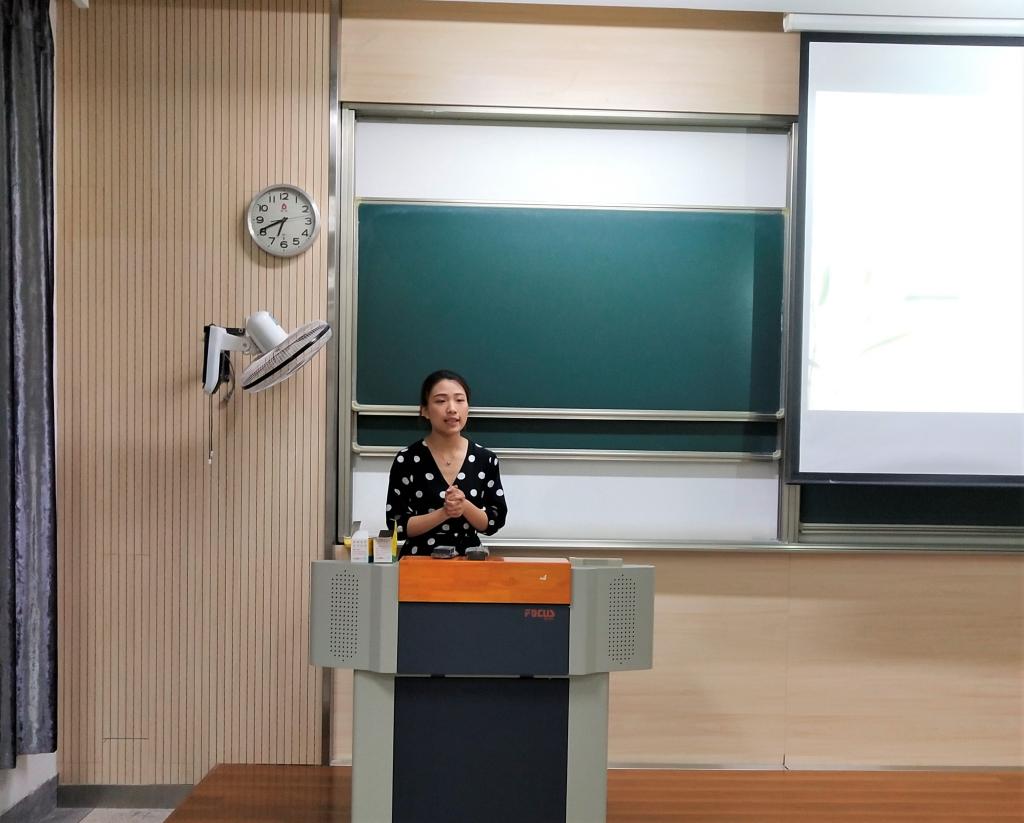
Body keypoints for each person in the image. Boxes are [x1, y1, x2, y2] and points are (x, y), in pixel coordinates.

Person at [385, 370, 508, 557]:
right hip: (420, 560)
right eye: (441, 401)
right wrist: (444, 512)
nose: (452, 408)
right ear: (425, 410)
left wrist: (464, 506)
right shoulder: (407, 459)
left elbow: (493, 522)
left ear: (468, 407)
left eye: (459, 400)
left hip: (469, 560)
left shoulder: (485, 459)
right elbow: (397, 526)